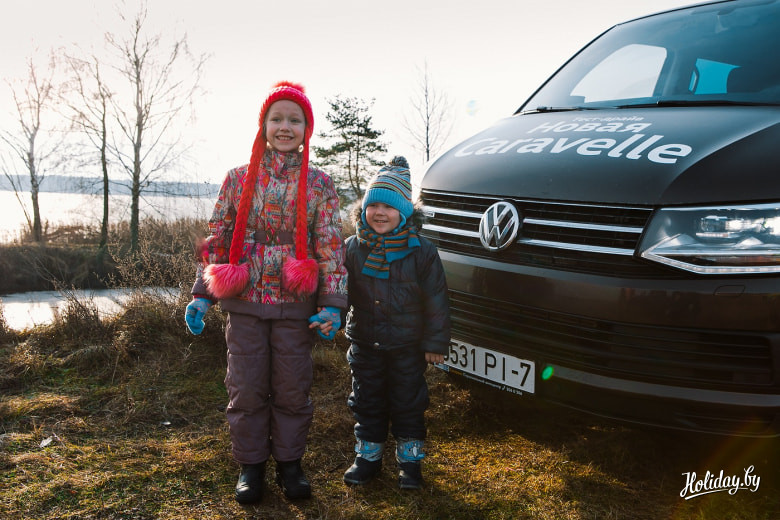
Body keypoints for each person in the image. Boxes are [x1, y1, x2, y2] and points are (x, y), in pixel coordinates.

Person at [184, 81, 347, 504]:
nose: (285, 127)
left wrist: (332, 304)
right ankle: (251, 466)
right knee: (246, 387)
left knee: (292, 389)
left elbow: (331, 245)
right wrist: (202, 293)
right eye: (277, 119)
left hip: (296, 305)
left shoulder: (320, 183)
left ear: (307, 129)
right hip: (245, 304)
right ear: (263, 125)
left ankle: (290, 465)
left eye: (295, 120)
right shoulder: (238, 178)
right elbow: (218, 238)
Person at [326, 156, 450, 490]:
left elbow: (436, 300)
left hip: (408, 346)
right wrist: (332, 316)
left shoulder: (422, 251)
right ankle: (368, 457)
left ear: (405, 212)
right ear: (363, 209)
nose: (379, 213)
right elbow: (340, 291)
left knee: (408, 401)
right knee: (367, 400)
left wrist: (436, 343)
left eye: (389, 206)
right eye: (373, 205)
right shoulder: (353, 248)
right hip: (365, 344)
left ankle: (410, 461)